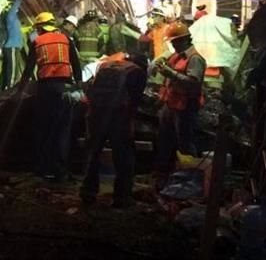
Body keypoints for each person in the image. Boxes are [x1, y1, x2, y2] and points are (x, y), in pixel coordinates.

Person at [79, 52, 148, 207]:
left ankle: (87, 193)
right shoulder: (136, 72)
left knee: (93, 153)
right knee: (123, 155)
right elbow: (134, 100)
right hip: (118, 116)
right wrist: (130, 122)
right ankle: (122, 197)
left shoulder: (106, 65)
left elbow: (91, 87)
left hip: (95, 113)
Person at [20, 11, 81, 182]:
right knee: (62, 130)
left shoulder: (37, 42)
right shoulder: (66, 39)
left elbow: (29, 68)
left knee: (44, 128)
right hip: (66, 88)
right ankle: (60, 172)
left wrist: (20, 89)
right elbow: (76, 64)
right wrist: (79, 85)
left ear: (40, 27)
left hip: (46, 88)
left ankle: (42, 169)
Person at [153, 22, 205, 180]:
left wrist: (171, 73)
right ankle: (166, 174)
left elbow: (193, 83)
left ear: (185, 40)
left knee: (185, 144)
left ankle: (188, 178)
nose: (173, 45)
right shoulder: (176, 56)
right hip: (171, 105)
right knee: (165, 140)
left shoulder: (195, 59)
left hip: (185, 107)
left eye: (175, 42)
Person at [1, 0, 26, 90]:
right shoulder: (10, 15)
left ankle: (8, 88)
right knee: (12, 71)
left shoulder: (14, 17)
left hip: (14, 47)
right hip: (11, 47)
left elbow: (18, 30)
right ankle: (9, 89)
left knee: (11, 70)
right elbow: (18, 1)